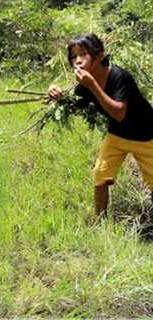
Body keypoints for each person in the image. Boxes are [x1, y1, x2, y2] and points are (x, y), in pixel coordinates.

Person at [48, 33, 153, 218]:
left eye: (83, 54)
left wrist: (92, 85)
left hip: (146, 136)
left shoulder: (119, 76)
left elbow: (119, 113)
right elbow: (70, 105)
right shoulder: (84, 86)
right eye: (73, 56)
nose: (78, 61)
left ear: (99, 55)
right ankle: (100, 223)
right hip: (117, 136)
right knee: (100, 175)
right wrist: (55, 94)